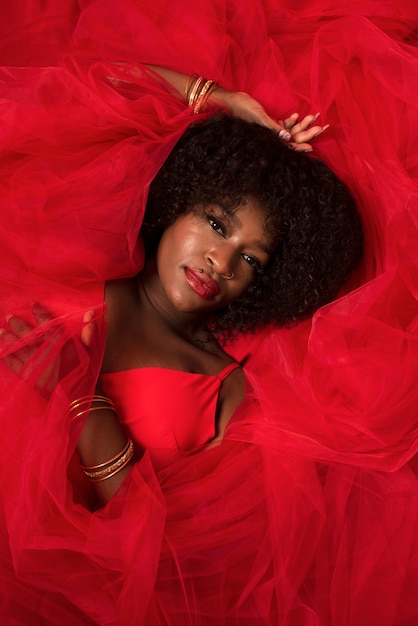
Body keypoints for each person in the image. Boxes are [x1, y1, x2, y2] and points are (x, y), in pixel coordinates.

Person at [1, 2, 418, 625]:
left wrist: (80, 398)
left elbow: (166, 563)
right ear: (177, 201)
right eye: (216, 223)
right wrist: (222, 98)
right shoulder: (75, 259)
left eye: (250, 257)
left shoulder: (226, 388)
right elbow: (77, 92)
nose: (220, 261)